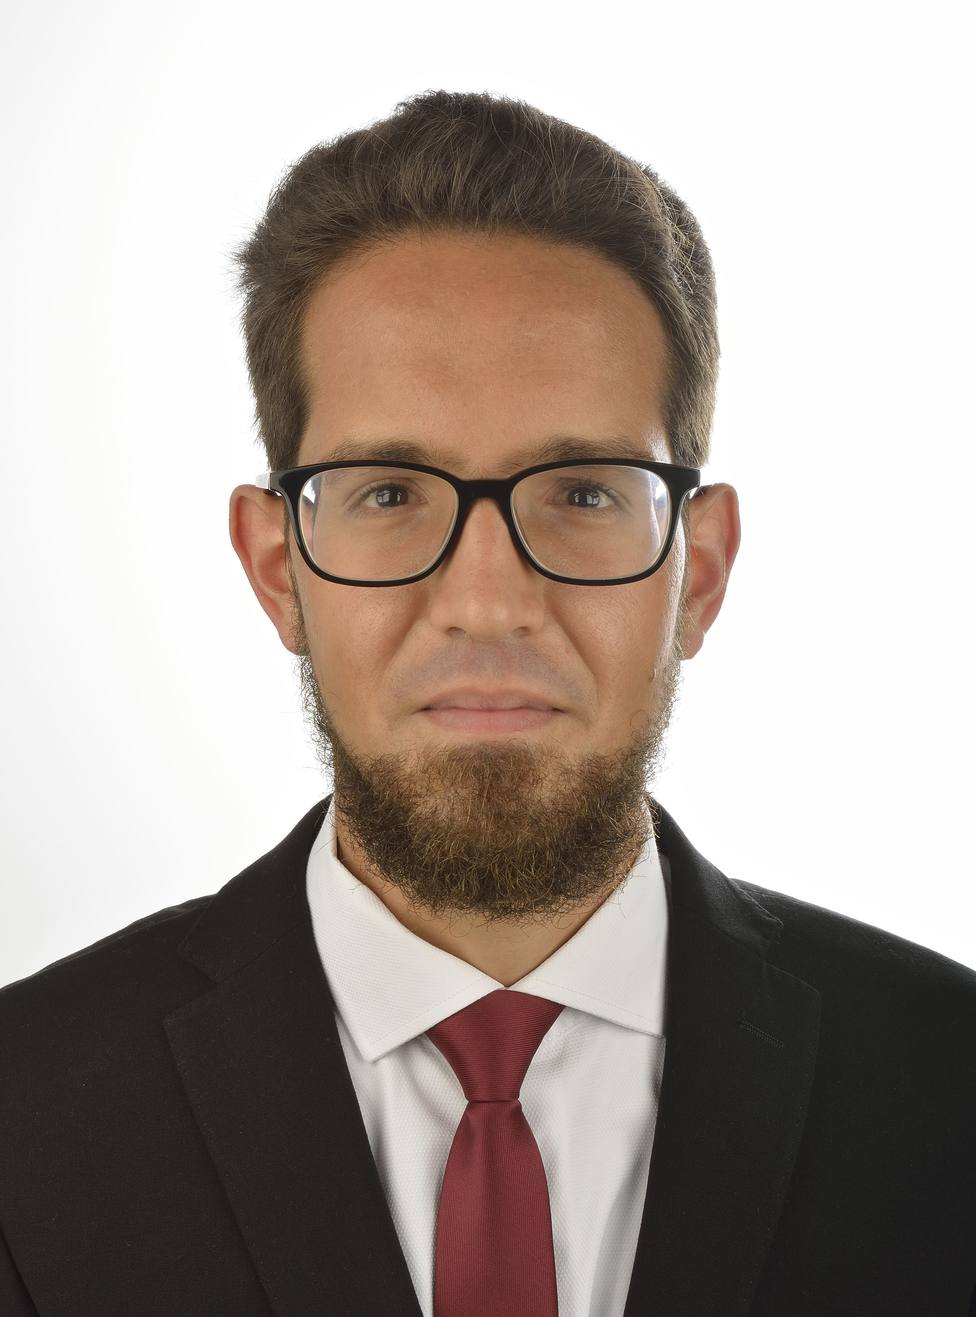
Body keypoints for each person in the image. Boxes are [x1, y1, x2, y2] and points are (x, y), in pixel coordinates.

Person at [1, 89, 973, 1317]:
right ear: (278, 569)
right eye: (388, 492)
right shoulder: (24, 1114)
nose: (487, 602)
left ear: (700, 572)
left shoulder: (948, 1088)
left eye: (582, 492)